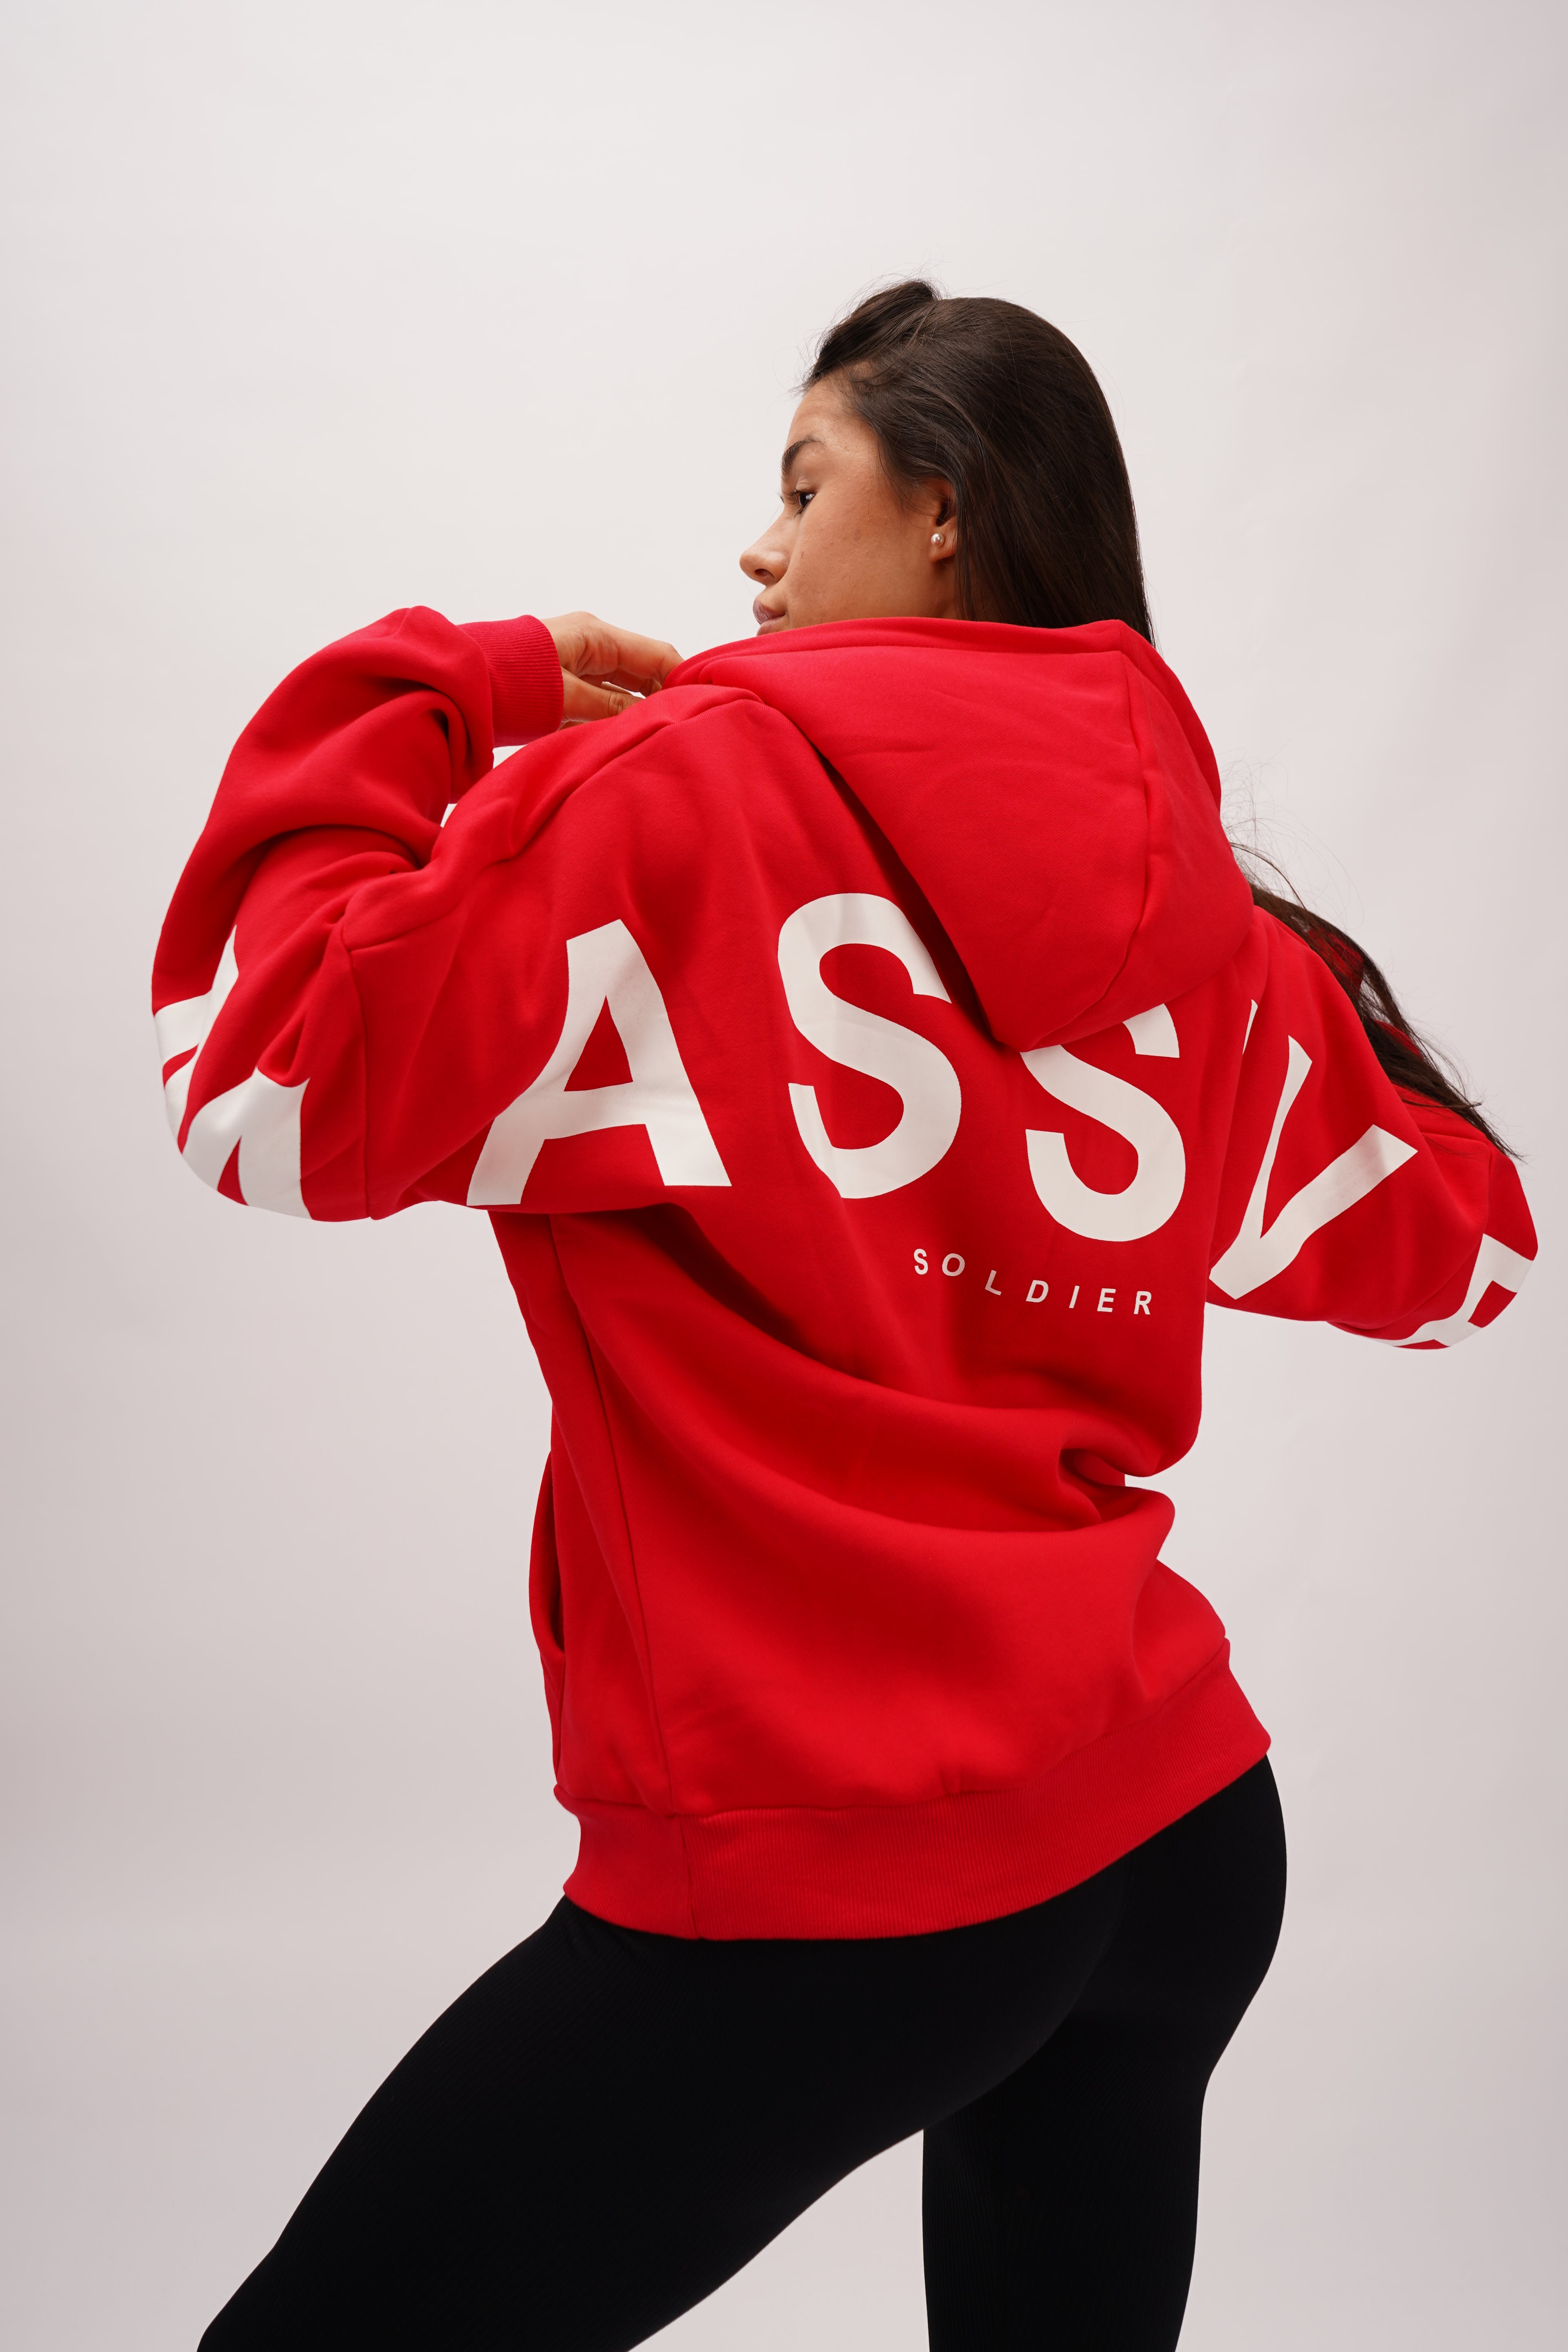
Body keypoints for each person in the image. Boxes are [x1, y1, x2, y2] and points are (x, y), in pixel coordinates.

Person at [158, 281, 1535, 2351]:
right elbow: (1466, 1252)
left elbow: (259, 1083)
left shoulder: (676, 804)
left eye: (804, 487)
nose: (758, 550)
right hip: (1172, 1832)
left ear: (947, 510)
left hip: (847, 1871)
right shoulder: (1205, 924)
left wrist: (454, 686)